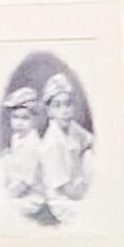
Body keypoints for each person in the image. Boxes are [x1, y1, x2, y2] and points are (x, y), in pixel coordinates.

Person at [36, 72, 95, 219]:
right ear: (49, 111)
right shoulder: (51, 144)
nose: (64, 110)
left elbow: (90, 141)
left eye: (68, 104)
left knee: (89, 155)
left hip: (77, 186)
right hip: (64, 200)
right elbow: (65, 188)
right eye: (57, 106)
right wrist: (86, 196)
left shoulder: (72, 127)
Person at [0, 87, 49, 225]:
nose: (19, 123)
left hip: (33, 196)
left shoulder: (32, 145)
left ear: (35, 120)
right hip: (18, 187)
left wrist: (7, 195)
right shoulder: (17, 137)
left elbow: (25, 182)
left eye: (25, 118)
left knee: (5, 208)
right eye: (15, 117)